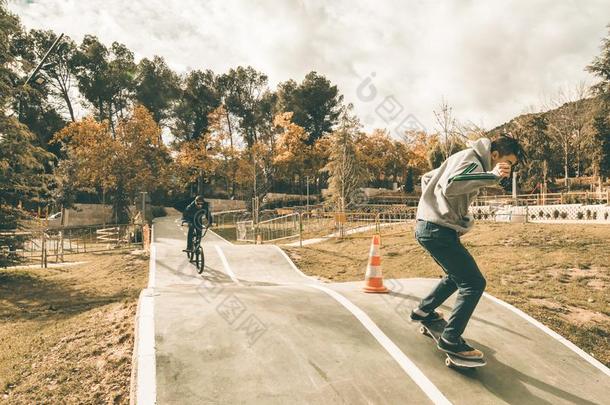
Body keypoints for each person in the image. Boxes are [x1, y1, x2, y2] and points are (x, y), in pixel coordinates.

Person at [410, 135, 527, 359]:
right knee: (473, 283)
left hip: (433, 227)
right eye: (508, 163)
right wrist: (490, 176)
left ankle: (423, 310)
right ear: (494, 155)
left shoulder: (465, 158)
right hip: (437, 231)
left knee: (456, 276)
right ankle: (450, 339)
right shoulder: (472, 159)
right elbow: (453, 185)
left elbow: (428, 178)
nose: (507, 169)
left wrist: (451, 213)